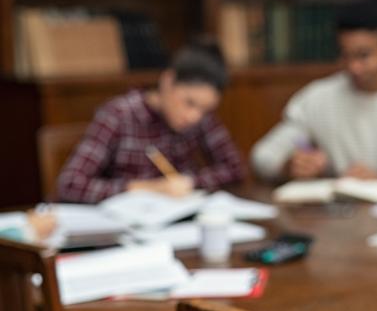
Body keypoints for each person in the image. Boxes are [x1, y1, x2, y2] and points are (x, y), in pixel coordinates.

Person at [250, 2, 377, 182]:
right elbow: (262, 157)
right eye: (345, 56)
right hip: (335, 220)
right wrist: (287, 167)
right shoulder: (316, 99)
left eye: (363, 55)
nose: (353, 67)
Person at [57, 40, 244, 203]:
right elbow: (70, 184)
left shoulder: (201, 120)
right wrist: (144, 188)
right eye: (189, 102)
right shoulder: (119, 114)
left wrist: (190, 181)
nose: (194, 116)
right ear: (167, 81)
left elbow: (235, 168)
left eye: (205, 109)